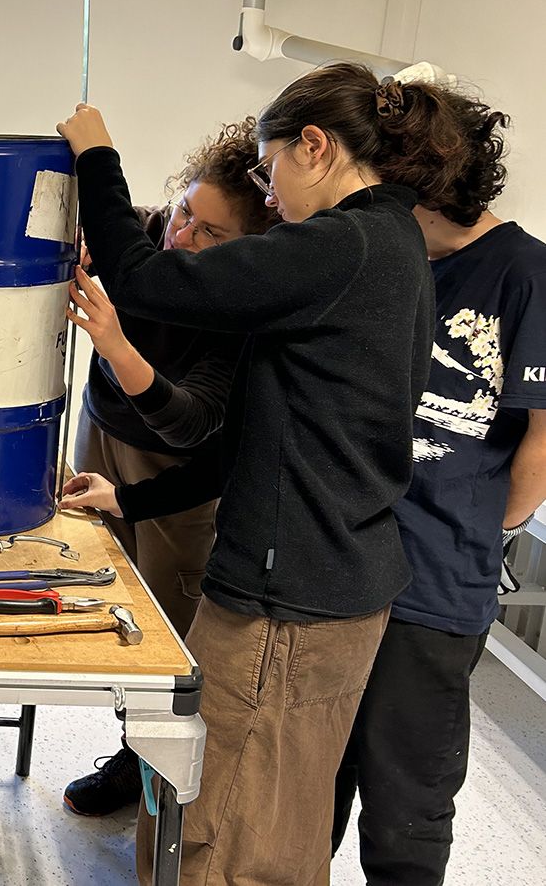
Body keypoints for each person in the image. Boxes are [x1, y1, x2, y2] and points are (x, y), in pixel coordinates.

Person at [54, 61, 474, 885]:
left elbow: (145, 279)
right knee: (277, 819)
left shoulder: (339, 246)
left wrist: (97, 155)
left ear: (314, 146)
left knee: (214, 826)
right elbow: (251, 443)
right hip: (333, 591)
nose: (268, 191)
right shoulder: (392, 246)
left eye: (269, 162)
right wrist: (133, 496)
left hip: (286, 609)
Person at [328, 90, 546, 885]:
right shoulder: (381, 256)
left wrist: (480, 524)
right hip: (344, 561)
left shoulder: (525, 272)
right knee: (312, 785)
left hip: (433, 584)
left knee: (406, 804)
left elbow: (541, 444)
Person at [62, 119, 280, 817]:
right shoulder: (148, 231)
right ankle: (131, 748)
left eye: (209, 234)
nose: (182, 236)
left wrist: (118, 346)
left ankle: (145, 769)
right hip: (100, 433)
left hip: (176, 469)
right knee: (96, 597)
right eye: (186, 209)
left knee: (164, 625)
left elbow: (193, 419)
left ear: (247, 251)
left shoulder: (242, 307)